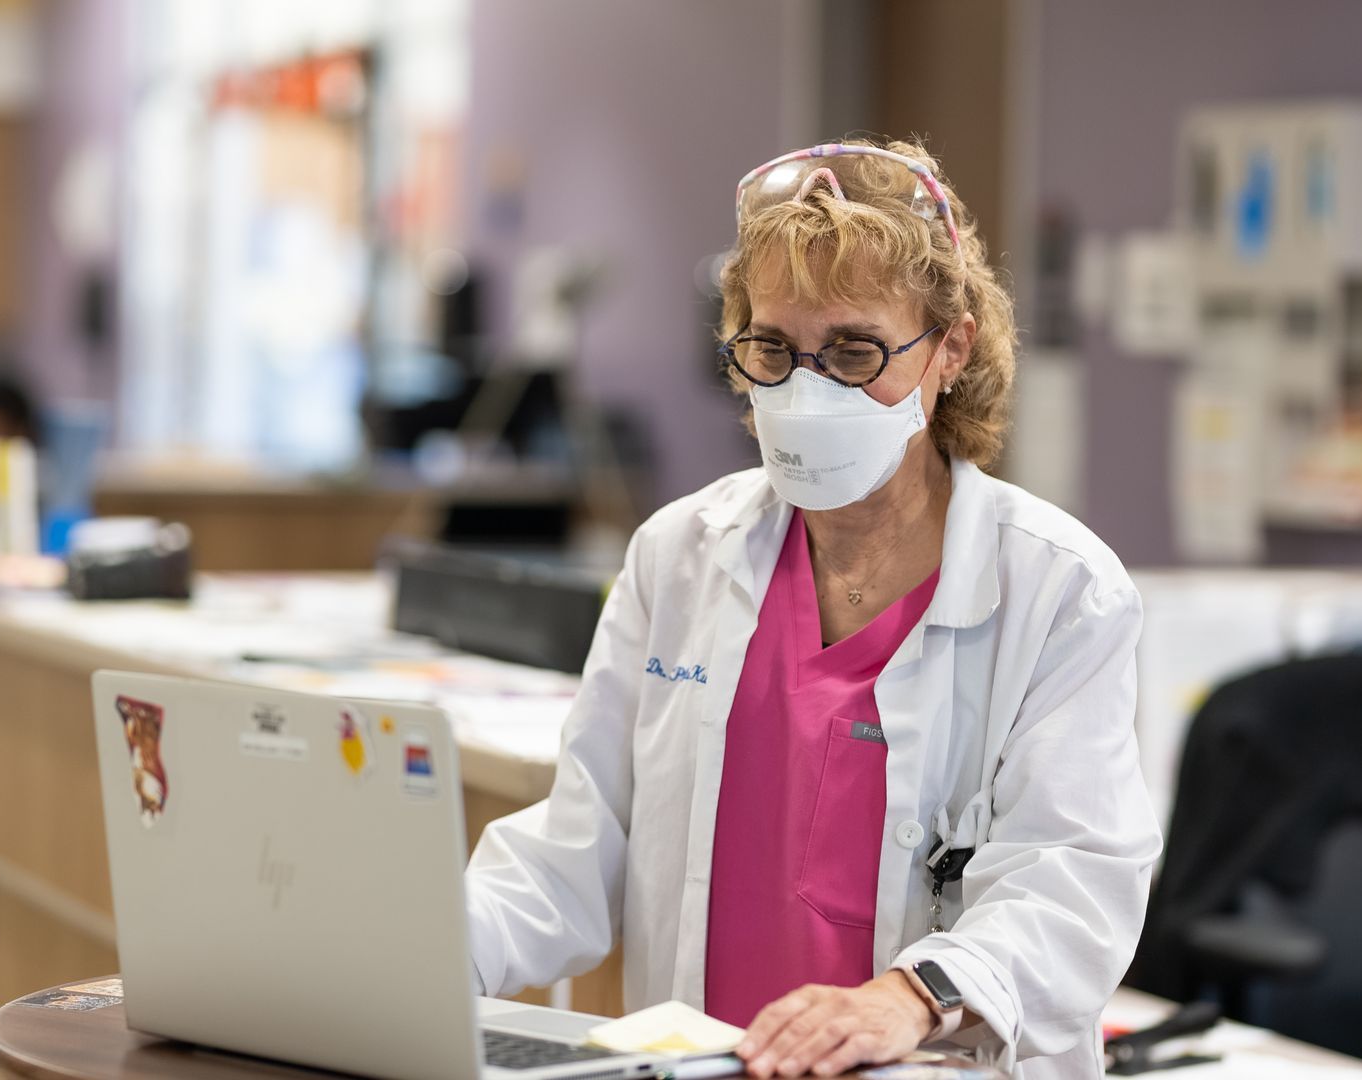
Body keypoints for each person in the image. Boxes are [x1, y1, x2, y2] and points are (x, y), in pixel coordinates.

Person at [463, 140, 1161, 1080]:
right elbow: (577, 848)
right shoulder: (679, 555)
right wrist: (422, 955)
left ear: (950, 348)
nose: (805, 387)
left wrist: (911, 1000)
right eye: (771, 349)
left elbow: (1071, 884)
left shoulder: (1060, 590)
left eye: (853, 350)